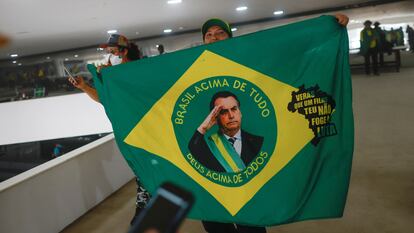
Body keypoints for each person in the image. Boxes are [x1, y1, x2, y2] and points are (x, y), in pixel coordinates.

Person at [197, 14, 349, 233]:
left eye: (220, 33)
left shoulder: (248, 56)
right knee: (215, 221)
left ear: (230, 37)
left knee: (251, 218)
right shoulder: (194, 66)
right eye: (208, 35)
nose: (213, 38)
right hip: (214, 157)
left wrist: (325, 26)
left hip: (249, 154)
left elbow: (286, 49)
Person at [69, 34, 149, 225]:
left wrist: (114, 76)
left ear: (124, 52)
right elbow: (105, 99)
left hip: (148, 132)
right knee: (142, 174)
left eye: (113, 52)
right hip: (131, 135)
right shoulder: (113, 74)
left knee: (149, 173)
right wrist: (84, 86)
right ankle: (145, 212)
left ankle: (146, 214)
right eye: (108, 53)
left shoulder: (140, 70)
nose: (109, 57)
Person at [188, 91, 263, 173]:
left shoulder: (259, 143)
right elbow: (191, 154)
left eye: (234, 109)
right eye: (224, 112)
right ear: (215, 117)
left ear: (240, 112)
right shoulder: (209, 146)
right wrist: (203, 128)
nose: (231, 116)